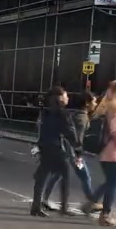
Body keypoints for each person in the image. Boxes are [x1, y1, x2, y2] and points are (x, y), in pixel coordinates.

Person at [84, 79, 116, 227]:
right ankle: (105, 214)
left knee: (110, 181)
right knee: (112, 183)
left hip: (104, 150)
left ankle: (92, 201)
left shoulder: (104, 107)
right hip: (113, 151)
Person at [44, 90, 97, 213]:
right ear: (87, 103)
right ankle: (91, 202)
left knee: (57, 174)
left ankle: (45, 198)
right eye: (94, 102)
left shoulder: (74, 114)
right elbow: (76, 137)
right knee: (85, 176)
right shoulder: (82, 118)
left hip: (64, 150)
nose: (95, 104)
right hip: (72, 152)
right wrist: (77, 154)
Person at [31, 87, 79, 217]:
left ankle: (36, 206)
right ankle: (63, 207)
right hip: (56, 147)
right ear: (60, 98)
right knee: (65, 174)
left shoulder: (45, 112)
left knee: (42, 176)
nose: (68, 98)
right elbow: (69, 132)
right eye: (66, 95)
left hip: (44, 146)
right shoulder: (63, 114)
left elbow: (40, 129)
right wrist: (77, 146)